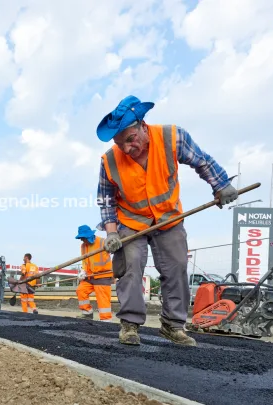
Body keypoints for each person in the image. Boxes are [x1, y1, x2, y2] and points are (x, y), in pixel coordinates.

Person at [95, 95, 237, 347]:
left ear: (142, 125)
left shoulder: (173, 137)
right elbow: (106, 198)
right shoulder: (109, 160)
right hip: (131, 221)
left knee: (177, 266)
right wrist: (111, 232)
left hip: (168, 217)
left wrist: (222, 185)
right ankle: (129, 325)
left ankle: (173, 325)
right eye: (121, 144)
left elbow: (202, 161)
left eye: (130, 139)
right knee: (130, 265)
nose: (127, 149)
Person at [74, 225, 114, 321]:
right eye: (81, 238)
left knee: (102, 299)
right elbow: (84, 260)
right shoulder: (83, 246)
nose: (82, 240)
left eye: (83, 238)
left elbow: (115, 250)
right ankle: (87, 313)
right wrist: (83, 271)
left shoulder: (103, 242)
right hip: (90, 275)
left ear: (89, 236)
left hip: (103, 275)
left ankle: (106, 320)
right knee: (81, 290)